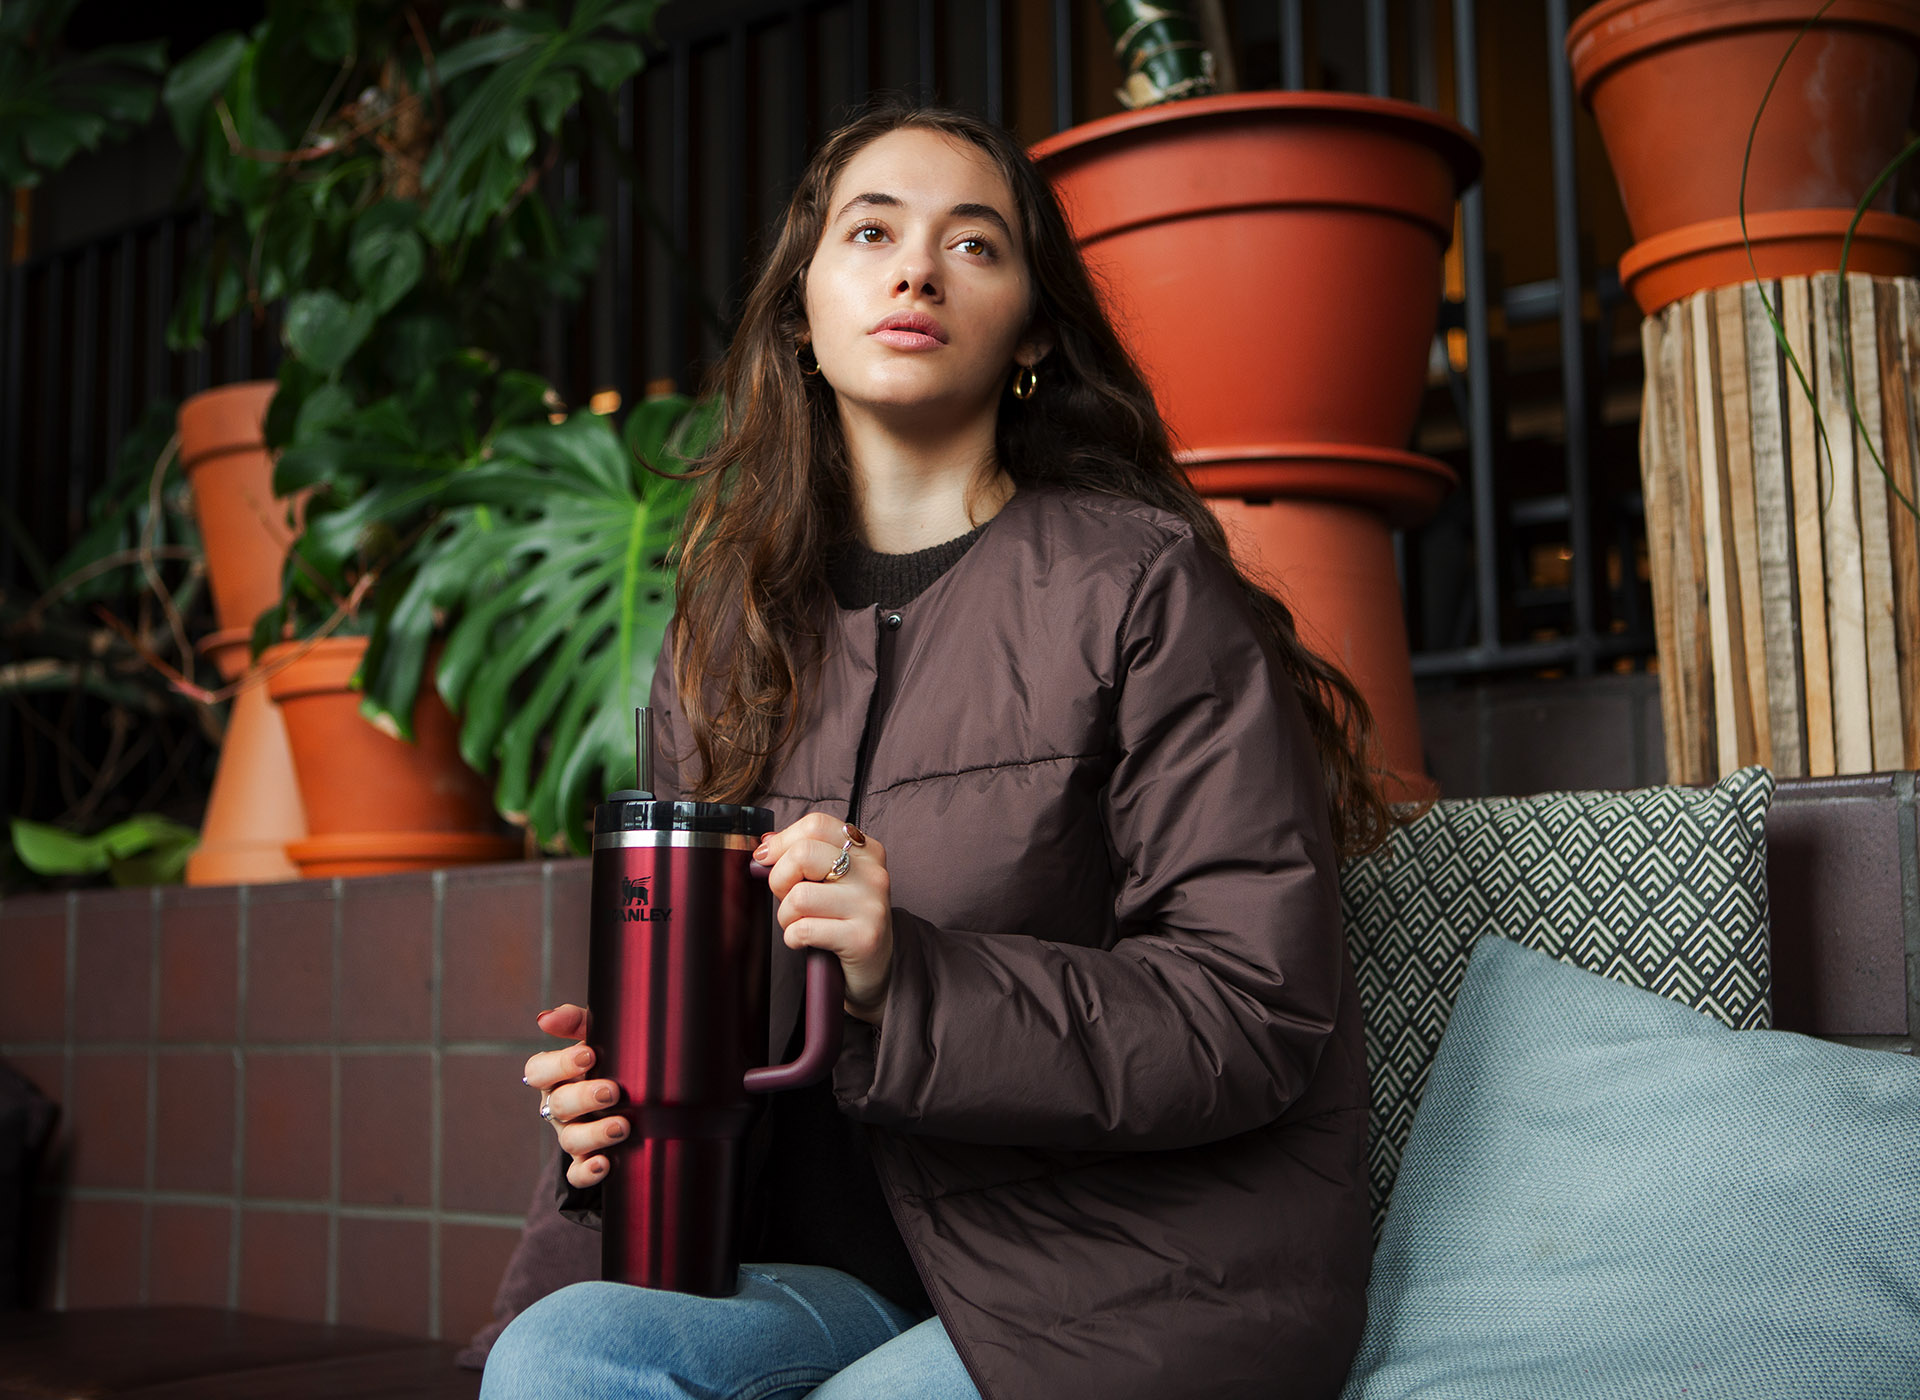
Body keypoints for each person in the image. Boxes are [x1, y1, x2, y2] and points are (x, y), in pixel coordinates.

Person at [483, 97, 1394, 1400]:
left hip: (1105, 1277)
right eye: (871, 232)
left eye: (975, 244)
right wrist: (614, 1120)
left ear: (1030, 328)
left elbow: (1250, 1013)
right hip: (812, 1273)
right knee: (557, 1363)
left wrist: (904, 975)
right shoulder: (726, 633)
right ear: (801, 310)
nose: (916, 267)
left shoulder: (1142, 589)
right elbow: (706, 1016)